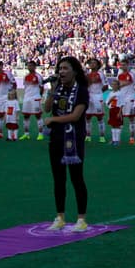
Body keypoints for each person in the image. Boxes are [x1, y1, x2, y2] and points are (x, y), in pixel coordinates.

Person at [44, 56, 90, 233]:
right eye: (59, 69)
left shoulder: (81, 90)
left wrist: (53, 120)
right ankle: (60, 217)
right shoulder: (59, 88)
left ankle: (81, 219)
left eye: (65, 68)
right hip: (56, 138)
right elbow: (47, 108)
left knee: (76, 178)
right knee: (58, 179)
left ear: (75, 71)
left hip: (73, 140)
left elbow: (76, 115)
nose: (61, 72)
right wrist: (51, 90)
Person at [85, 58, 107, 143]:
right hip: (89, 96)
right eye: (91, 63)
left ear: (98, 65)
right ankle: (88, 135)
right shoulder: (87, 75)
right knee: (87, 117)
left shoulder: (100, 74)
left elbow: (105, 86)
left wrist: (99, 93)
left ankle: (101, 136)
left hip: (98, 97)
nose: (92, 64)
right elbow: (85, 86)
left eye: (94, 63)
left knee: (99, 117)